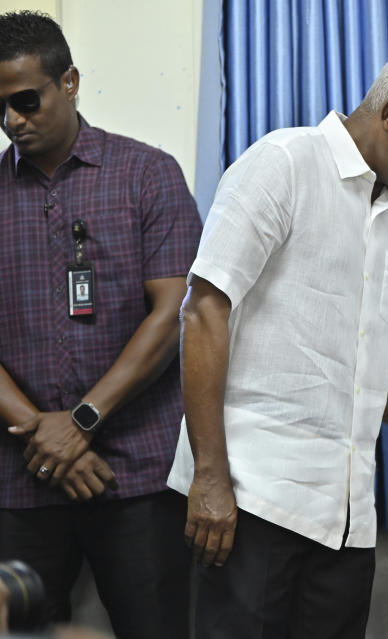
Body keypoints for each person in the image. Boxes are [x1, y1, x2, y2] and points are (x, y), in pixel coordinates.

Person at [165, 44, 388, 639]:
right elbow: (204, 311)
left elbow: (374, 358)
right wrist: (209, 475)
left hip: (347, 513)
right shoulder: (283, 164)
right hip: (253, 497)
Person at [0, 11, 201, 638]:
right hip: (21, 479)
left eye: (26, 101)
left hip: (136, 476)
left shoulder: (147, 174)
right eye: (0, 107)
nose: (12, 121)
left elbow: (175, 315)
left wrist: (82, 420)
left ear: (70, 81)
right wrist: (43, 434)